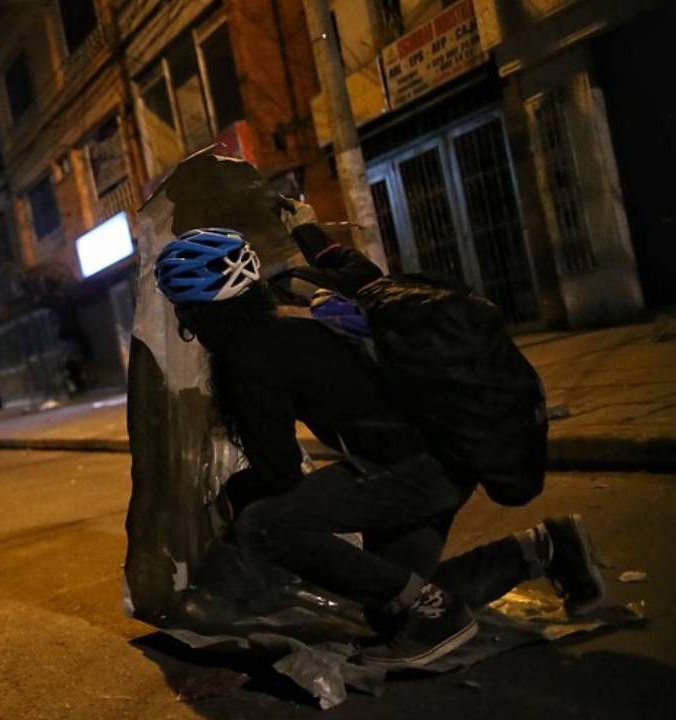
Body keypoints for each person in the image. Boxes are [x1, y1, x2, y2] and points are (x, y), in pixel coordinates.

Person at [152, 202, 606, 669]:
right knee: (390, 599)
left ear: (197, 314)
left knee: (263, 524)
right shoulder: (301, 287)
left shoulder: (246, 353)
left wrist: (230, 499)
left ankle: (439, 615)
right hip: (453, 447)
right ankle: (547, 547)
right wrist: (307, 227)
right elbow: (360, 269)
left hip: (411, 471)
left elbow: (279, 473)